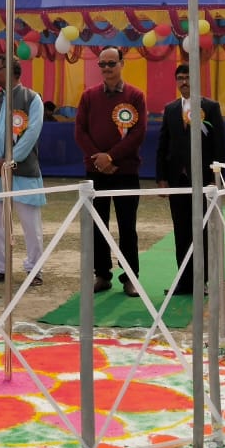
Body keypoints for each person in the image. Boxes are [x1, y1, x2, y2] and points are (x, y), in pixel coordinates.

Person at [75, 47, 147, 297]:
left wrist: (112, 157)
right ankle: (102, 275)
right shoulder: (88, 96)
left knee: (127, 227)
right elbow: (80, 131)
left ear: (122, 64)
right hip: (96, 172)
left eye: (111, 63)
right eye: (102, 64)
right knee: (97, 225)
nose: (106, 68)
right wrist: (99, 159)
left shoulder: (136, 96)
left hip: (126, 171)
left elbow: (138, 133)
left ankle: (130, 278)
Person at [155, 63, 225, 295]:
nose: (184, 81)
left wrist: (217, 177)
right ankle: (184, 280)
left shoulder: (211, 107)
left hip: (204, 179)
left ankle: (201, 280)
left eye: (188, 77)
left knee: (202, 230)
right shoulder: (170, 109)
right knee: (181, 230)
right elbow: (163, 144)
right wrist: (161, 178)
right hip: (178, 179)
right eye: (180, 78)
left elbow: (218, 143)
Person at [0, 58, 47, 286]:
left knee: (30, 224)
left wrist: (9, 161)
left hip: (22, 171)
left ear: (11, 70)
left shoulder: (32, 99)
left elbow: (32, 133)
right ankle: (0, 267)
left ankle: (34, 269)